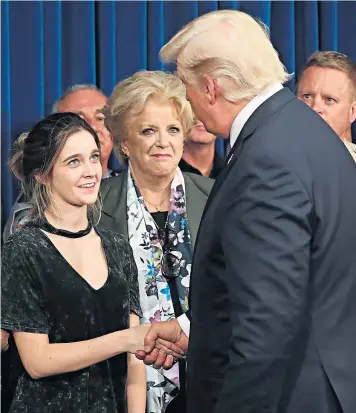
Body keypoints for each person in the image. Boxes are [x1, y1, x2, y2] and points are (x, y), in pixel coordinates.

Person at [137, 10, 356, 413]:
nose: (187, 104)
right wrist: (196, 330)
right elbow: (298, 287)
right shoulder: (301, 130)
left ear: (211, 87)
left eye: (186, 89)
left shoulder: (266, 159)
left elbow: (267, 329)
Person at [1, 112, 148, 413]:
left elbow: (135, 360)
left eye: (94, 157)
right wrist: (124, 340)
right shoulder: (24, 250)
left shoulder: (118, 247)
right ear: (42, 174)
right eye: (73, 162)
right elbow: (38, 361)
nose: (91, 171)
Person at [99, 70, 214, 413]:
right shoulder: (95, 206)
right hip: (123, 384)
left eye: (173, 129)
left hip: (209, 380)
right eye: (148, 130)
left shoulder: (215, 198)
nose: (163, 142)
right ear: (123, 142)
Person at [3, 85, 124, 242]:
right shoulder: (33, 206)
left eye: (100, 118)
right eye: (77, 120)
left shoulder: (128, 188)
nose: (92, 127)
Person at [297, 51, 356, 161]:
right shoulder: (268, 161)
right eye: (307, 96)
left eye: (329, 99)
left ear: (353, 112)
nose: (314, 108)